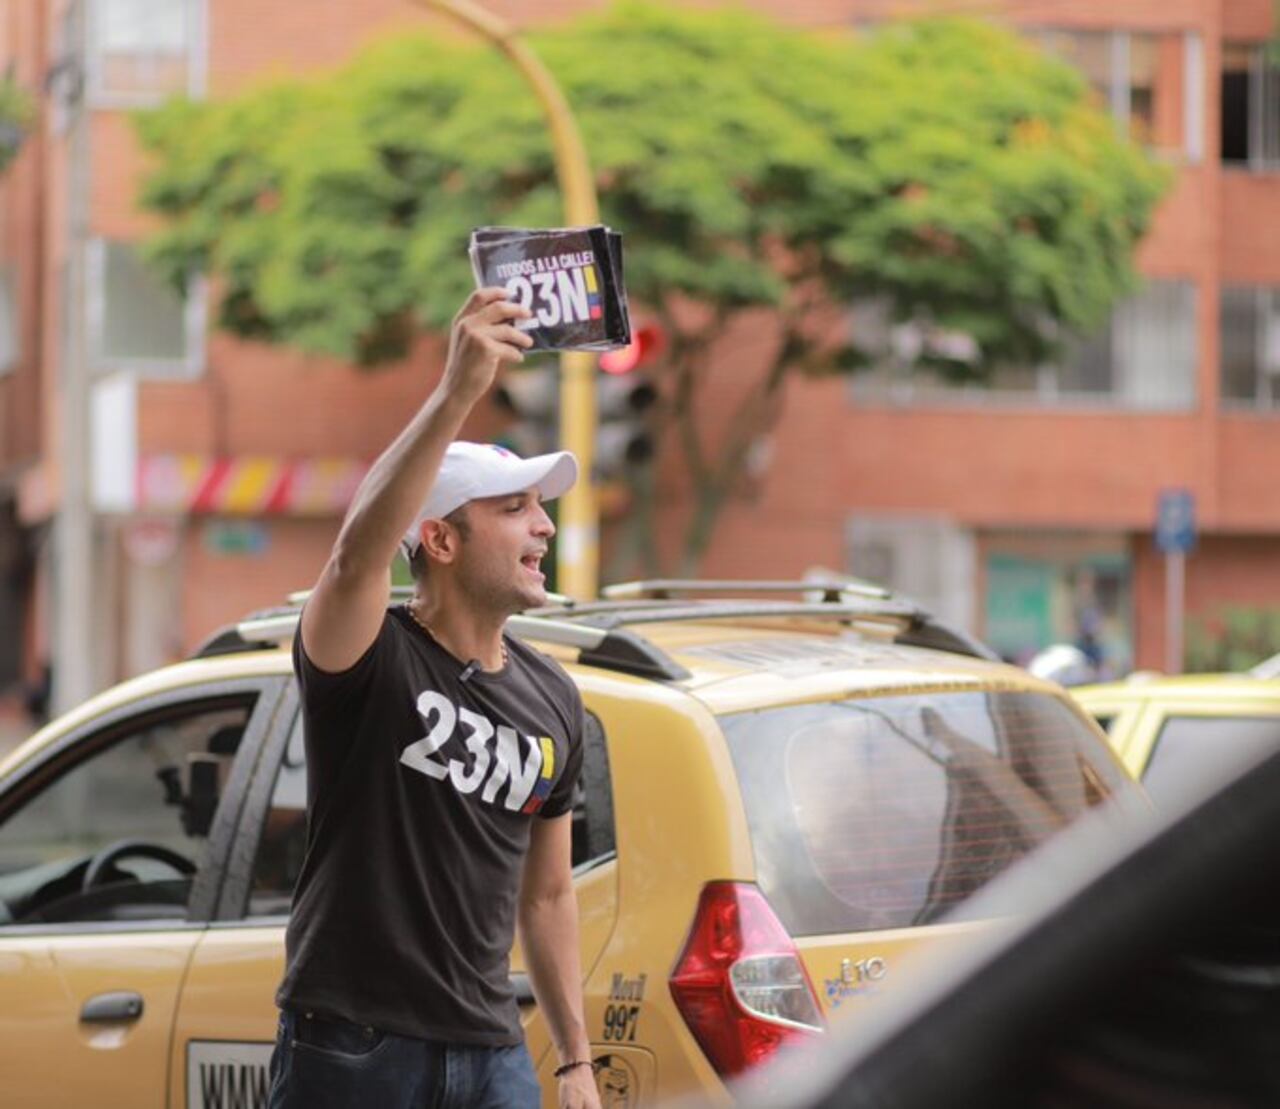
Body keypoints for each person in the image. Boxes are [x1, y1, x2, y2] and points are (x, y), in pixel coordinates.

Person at [268, 288, 603, 1109]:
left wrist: (575, 1061)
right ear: (441, 540)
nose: (545, 529)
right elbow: (354, 555)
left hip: (492, 1051)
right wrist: (457, 390)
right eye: (516, 508)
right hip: (353, 1044)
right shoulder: (370, 656)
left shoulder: (554, 695)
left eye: (543, 509)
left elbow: (549, 893)